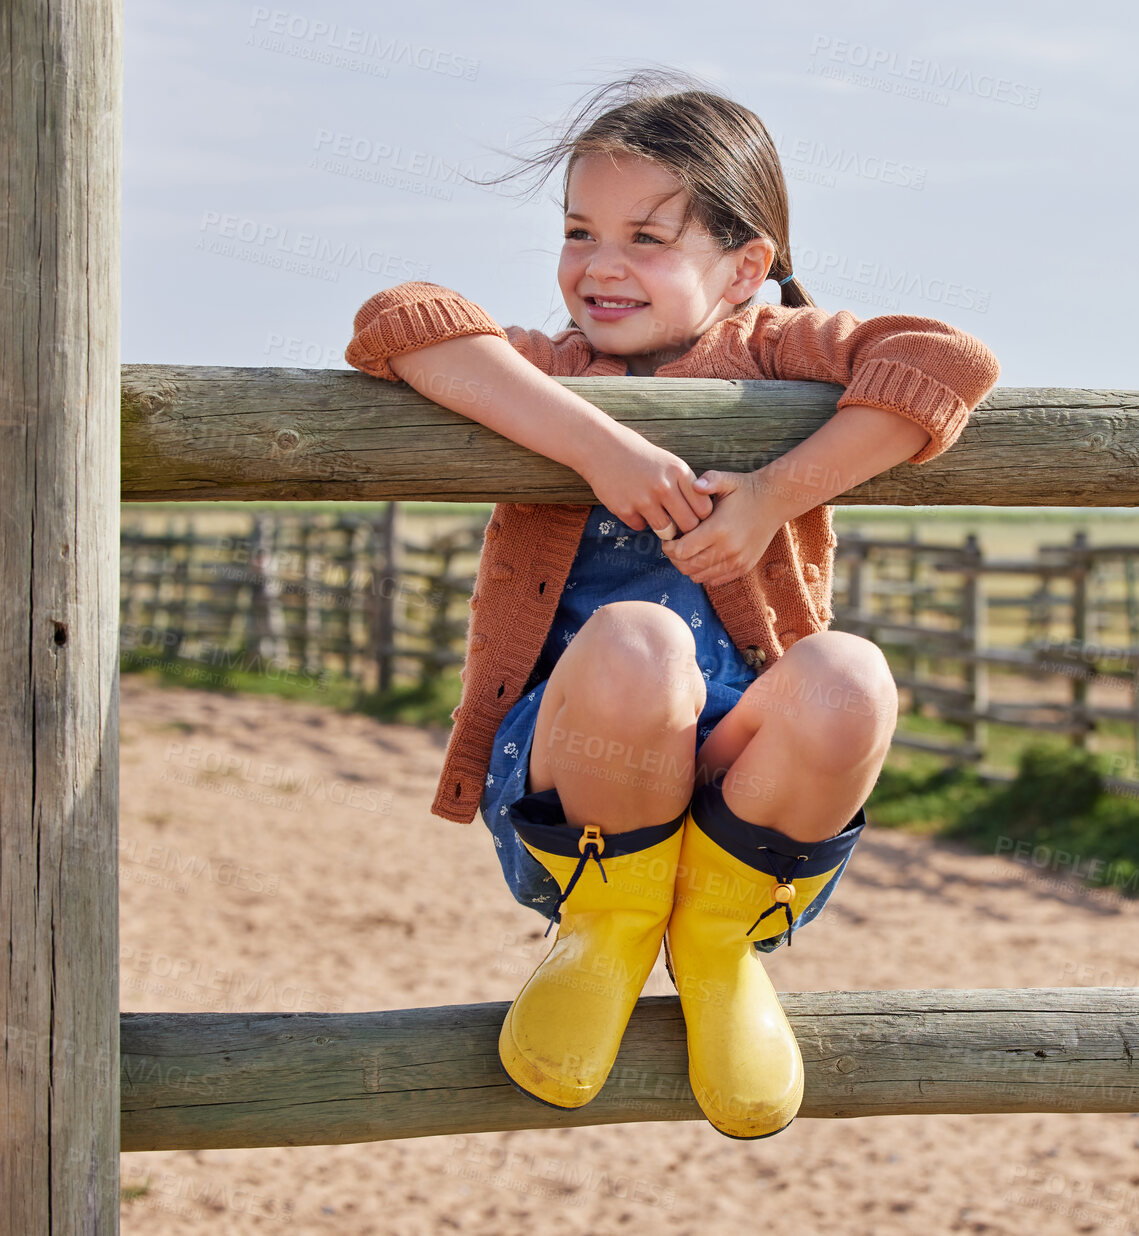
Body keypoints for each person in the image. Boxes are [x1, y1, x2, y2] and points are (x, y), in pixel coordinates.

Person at [343, 69, 1000, 1139]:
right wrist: (596, 443)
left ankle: (717, 947)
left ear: (745, 267)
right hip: (571, 785)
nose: (599, 265)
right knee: (640, 642)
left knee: (848, 678)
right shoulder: (551, 371)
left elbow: (947, 361)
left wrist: (773, 496)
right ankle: (601, 936)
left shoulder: (777, 350)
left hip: (745, 785)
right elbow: (399, 320)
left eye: (646, 239)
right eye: (578, 232)